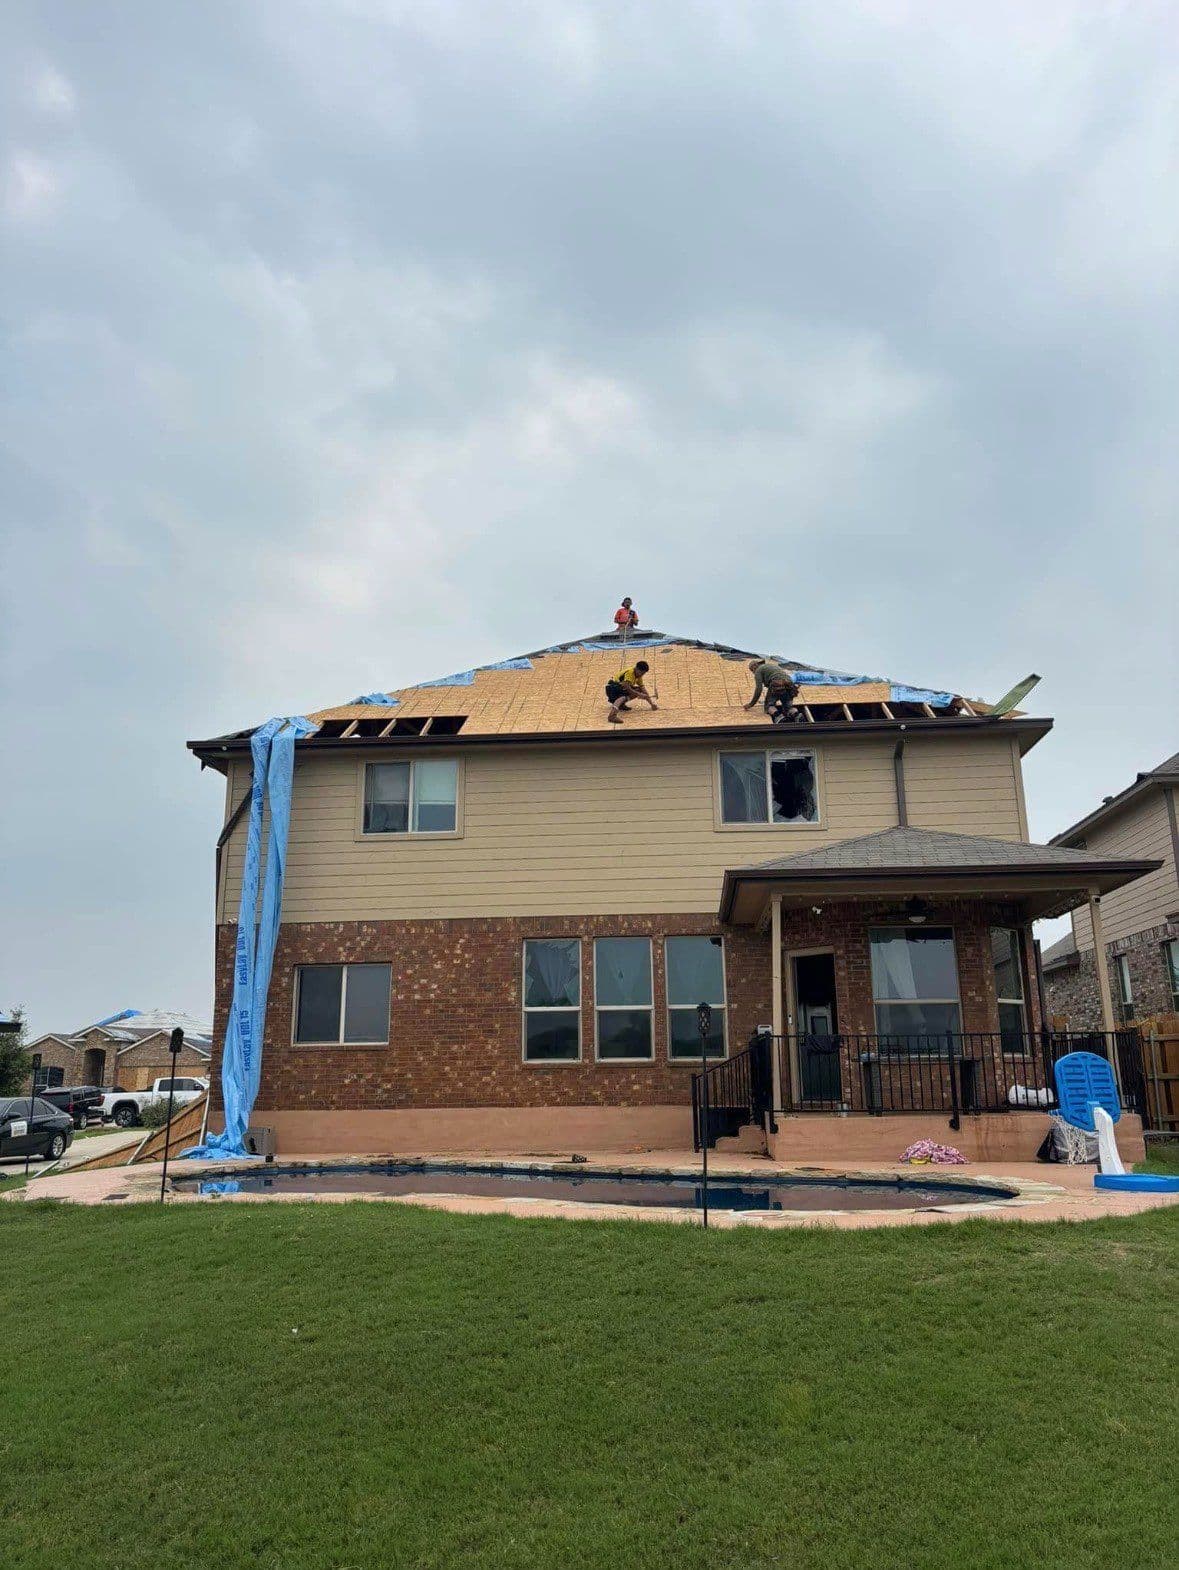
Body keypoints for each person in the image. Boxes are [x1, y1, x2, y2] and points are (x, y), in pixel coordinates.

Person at [744, 657, 801, 723]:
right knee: (788, 707)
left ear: (754, 666)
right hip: (790, 685)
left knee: (769, 705)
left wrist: (751, 704)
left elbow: (758, 689)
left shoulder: (758, 670)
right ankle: (797, 715)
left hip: (777, 683)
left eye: (752, 670)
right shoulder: (771, 666)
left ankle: (779, 717)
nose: (753, 672)